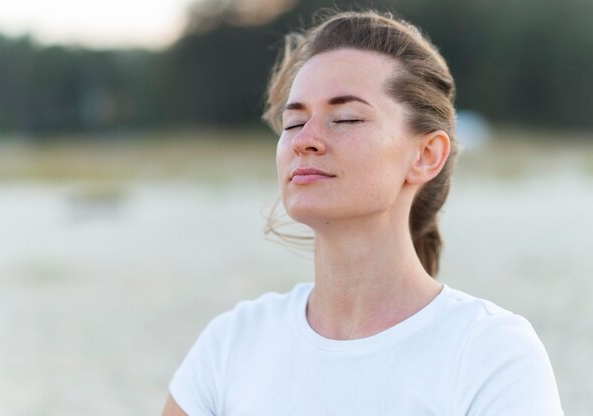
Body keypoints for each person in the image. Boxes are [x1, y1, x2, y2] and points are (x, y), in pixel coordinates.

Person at [163, 9, 564, 416]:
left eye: (346, 118)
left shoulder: (488, 351)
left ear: (427, 155)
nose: (305, 141)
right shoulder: (233, 342)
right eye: (293, 122)